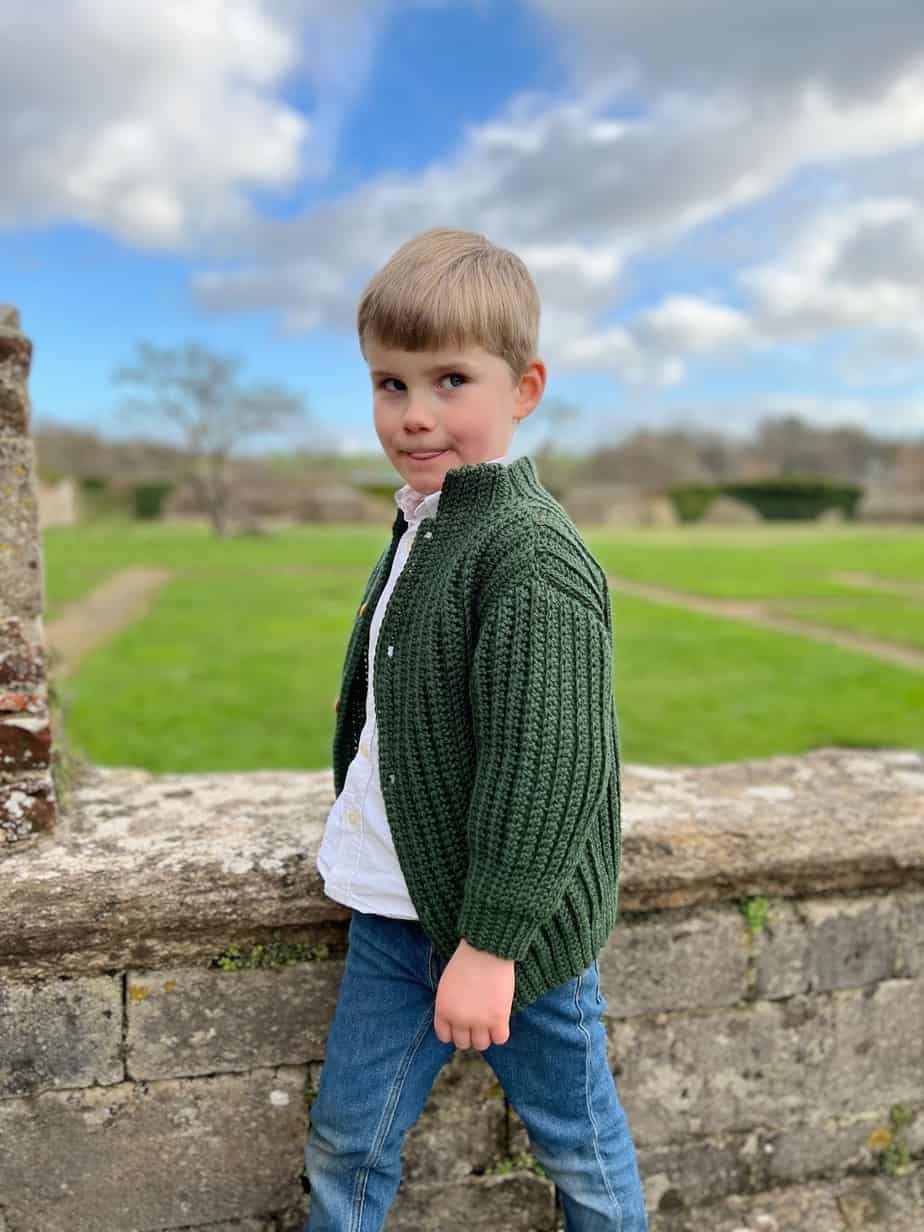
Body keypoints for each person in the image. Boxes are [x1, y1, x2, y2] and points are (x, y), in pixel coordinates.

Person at [304, 227, 648, 1230]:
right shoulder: (429, 516)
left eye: (450, 378)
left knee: (581, 1146)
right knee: (345, 1143)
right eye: (388, 382)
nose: (413, 414)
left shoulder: (528, 553)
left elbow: (550, 766)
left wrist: (491, 945)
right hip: (391, 911)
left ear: (524, 387)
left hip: (516, 932)